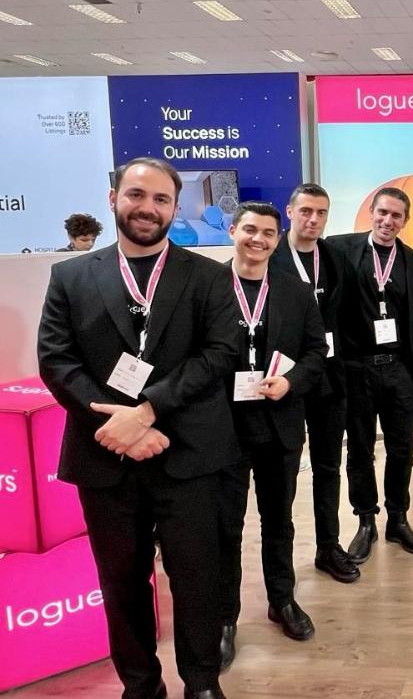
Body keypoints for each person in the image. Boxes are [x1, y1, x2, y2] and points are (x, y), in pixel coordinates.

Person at [37, 156, 240, 699]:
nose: (147, 208)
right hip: (105, 457)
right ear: (113, 199)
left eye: (161, 199)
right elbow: (57, 361)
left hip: (189, 453)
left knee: (197, 577)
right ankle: (141, 685)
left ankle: (201, 682)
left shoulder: (208, 276)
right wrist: (119, 426)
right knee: (121, 582)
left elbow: (220, 354)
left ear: (174, 208)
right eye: (136, 195)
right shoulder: (71, 276)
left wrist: (145, 412)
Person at [218, 201, 327, 667]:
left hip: (279, 422)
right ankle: (224, 617)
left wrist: (291, 382)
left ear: (277, 239)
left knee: (278, 521)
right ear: (232, 231)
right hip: (223, 427)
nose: (258, 239)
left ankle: (281, 599)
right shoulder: (208, 286)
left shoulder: (295, 291)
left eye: (267, 232)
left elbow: (316, 351)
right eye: (249, 230)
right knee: (225, 527)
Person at [330, 187, 413, 562]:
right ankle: (366, 521)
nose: (388, 221)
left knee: (402, 449)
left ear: (405, 221)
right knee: (359, 450)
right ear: (371, 212)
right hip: (357, 368)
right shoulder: (340, 250)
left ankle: (398, 519)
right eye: (383, 213)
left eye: (396, 216)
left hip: (400, 370)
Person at [270, 184, 359, 584]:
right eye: (306, 211)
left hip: (330, 378)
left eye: (321, 212)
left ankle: (328, 546)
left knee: (328, 466)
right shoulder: (271, 255)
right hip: (286, 380)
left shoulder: (336, 258)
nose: (313, 219)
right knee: (284, 472)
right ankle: (281, 562)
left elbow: (349, 315)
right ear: (290, 211)